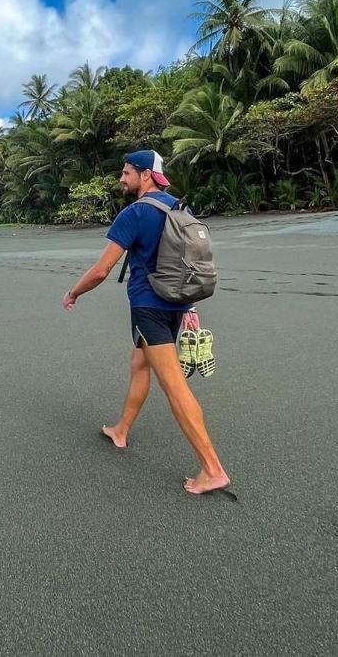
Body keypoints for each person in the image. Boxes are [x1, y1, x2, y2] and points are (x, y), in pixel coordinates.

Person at [61, 150, 230, 495]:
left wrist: (73, 293)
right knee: (140, 364)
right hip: (176, 305)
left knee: (174, 386)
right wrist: (190, 307)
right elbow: (188, 263)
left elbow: (101, 270)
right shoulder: (179, 207)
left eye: (126, 173)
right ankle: (121, 430)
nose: (122, 179)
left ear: (146, 175)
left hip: (149, 308)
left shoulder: (135, 213)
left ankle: (212, 469)